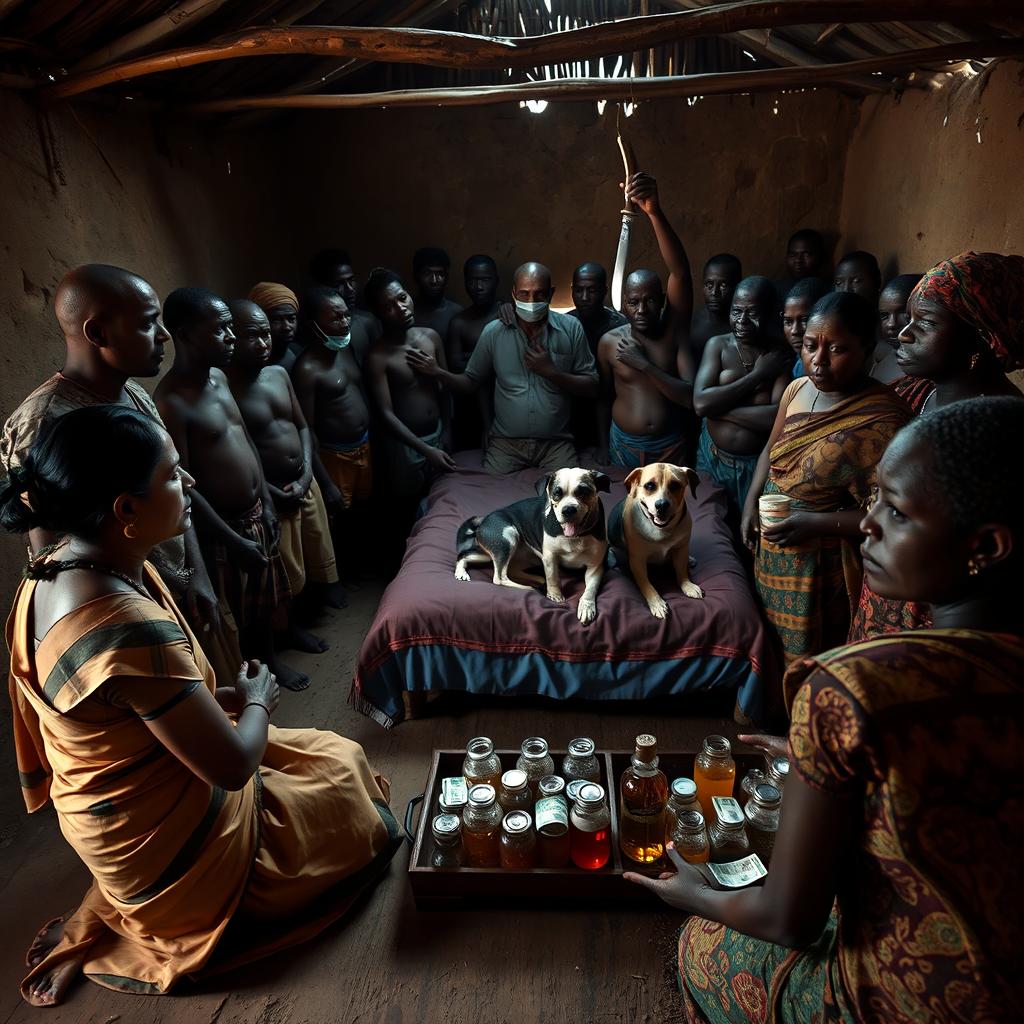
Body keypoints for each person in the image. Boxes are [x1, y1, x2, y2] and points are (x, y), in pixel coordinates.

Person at [627, 396, 1024, 1024]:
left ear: (986, 547)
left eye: (894, 511)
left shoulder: (851, 687)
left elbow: (789, 919)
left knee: (702, 946)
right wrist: (822, 757)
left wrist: (695, 895)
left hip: (914, 1000)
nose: (864, 526)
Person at [1, 405, 401, 1008]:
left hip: (110, 823)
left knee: (319, 755)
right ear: (125, 510)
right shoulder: (120, 623)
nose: (189, 484)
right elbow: (235, 765)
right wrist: (259, 700)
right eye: (170, 475)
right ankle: (181, 911)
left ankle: (122, 900)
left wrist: (218, 701)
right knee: (342, 773)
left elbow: (126, 709)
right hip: (169, 859)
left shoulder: (50, 571)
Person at [0, 264, 240, 687]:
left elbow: (176, 484)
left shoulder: (134, 395)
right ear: (98, 334)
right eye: (149, 324)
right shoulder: (42, 426)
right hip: (125, 609)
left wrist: (195, 575)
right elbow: (52, 555)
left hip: (174, 590)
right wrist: (159, 593)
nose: (164, 336)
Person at [850, 251, 1024, 641]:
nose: (903, 333)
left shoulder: (1000, 435)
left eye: (925, 323)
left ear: (982, 338)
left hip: (941, 615)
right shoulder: (907, 394)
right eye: (907, 319)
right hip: (884, 581)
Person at [740, 291, 912, 663]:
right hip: (773, 547)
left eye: (836, 349)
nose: (818, 361)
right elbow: (770, 453)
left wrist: (813, 522)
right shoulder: (797, 389)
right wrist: (751, 503)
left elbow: (890, 516)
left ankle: (809, 718)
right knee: (766, 643)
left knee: (808, 655)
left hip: (820, 563)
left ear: (867, 348)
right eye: (809, 346)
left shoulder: (884, 420)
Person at [156, 288, 305, 692]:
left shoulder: (220, 378)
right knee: (238, 609)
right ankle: (251, 678)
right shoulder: (171, 402)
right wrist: (231, 538)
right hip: (224, 527)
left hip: (258, 511)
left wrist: (268, 502)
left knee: (266, 599)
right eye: (220, 330)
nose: (231, 338)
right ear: (185, 335)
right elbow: (183, 485)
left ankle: (272, 661)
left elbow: (247, 442)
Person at [225, 300, 343, 643]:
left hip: (303, 482)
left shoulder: (278, 374)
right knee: (285, 568)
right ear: (232, 338)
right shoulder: (227, 390)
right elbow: (243, 451)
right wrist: (271, 492)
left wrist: (308, 473)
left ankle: (307, 614)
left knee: (313, 550)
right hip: (274, 492)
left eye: (266, 335)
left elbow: (303, 426)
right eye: (253, 336)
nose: (264, 343)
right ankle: (290, 630)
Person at [408, 261, 598, 473]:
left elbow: (592, 386)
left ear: (551, 294)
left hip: (556, 444)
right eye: (525, 294)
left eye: (539, 294)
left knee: (570, 493)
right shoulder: (494, 332)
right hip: (506, 444)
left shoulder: (571, 329)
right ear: (514, 294)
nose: (532, 301)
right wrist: (437, 372)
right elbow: (470, 382)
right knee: (489, 495)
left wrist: (552, 372)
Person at [596, 171, 696, 469]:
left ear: (663, 300)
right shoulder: (608, 343)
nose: (642, 309)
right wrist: (602, 446)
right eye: (634, 302)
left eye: (650, 300)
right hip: (623, 445)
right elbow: (601, 399)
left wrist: (654, 212)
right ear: (623, 304)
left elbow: (690, 398)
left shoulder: (673, 333)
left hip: (671, 447)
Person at [291, 287, 372, 582]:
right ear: (313, 324)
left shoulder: (345, 350)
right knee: (335, 517)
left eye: (346, 315)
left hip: (364, 447)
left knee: (361, 513)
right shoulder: (307, 369)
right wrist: (324, 480)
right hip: (335, 455)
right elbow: (307, 428)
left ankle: (360, 570)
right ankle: (337, 580)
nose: (345, 322)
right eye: (335, 318)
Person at [693, 276, 793, 515]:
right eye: (736, 312)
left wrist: (719, 408)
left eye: (753, 313)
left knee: (748, 534)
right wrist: (757, 376)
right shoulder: (718, 346)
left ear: (770, 313)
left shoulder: (778, 355)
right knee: (710, 527)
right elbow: (700, 403)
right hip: (713, 459)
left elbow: (775, 419)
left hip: (755, 466)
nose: (742, 321)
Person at [363, 269, 455, 498]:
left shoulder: (431, 337)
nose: (401, 308)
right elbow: (385, 414)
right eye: (389, 306)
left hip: (439, 434)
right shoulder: (378, 357)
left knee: (444, 499)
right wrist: (425, 450)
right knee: (409, 505)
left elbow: (445, 389)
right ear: (378, 314)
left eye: (402, 298)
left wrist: (447, 431)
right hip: (405, 446)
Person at [446, 254, 500, 452]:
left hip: (505, 403)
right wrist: (489, 361)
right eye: (473, 280)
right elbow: (455, 366)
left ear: (496, 281)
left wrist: (474, 360)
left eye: (485, 280)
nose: (478, 287)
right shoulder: (459, 322)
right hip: (469, 408)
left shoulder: (507, 313)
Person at [309, 248, 380, 365]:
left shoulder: (367, 321)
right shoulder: (318, 330)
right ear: (324, 287)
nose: (350, 288)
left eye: (351, 280)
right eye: (339, 284)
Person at [688, 253, 742, 365]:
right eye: (709, 285)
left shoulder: (744, 325)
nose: (714, 293)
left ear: (738, 286)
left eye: (723, 285)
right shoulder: (693, 325)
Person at [870, 272, 920, 384]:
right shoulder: (883, 361)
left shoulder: (929, 371)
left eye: (903, 313)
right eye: (884, 315)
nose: (891, 324)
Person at [781, 277, 831, 379]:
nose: (795, 331)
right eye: (788, 322)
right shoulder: (794, 361)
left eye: (804, 320)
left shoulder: (825, 367)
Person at [248, 281, 302, 372]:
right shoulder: (250, 363)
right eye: (276, 320)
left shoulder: (300, 354)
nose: (287, 327)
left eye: (291, 319)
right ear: (259, 320)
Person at [411, 246, 462, 341]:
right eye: (427, 273)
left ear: (446, 277)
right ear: (416, 276)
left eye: (440, 274)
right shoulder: (406, 312)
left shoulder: (456, 313)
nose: (434, 280)